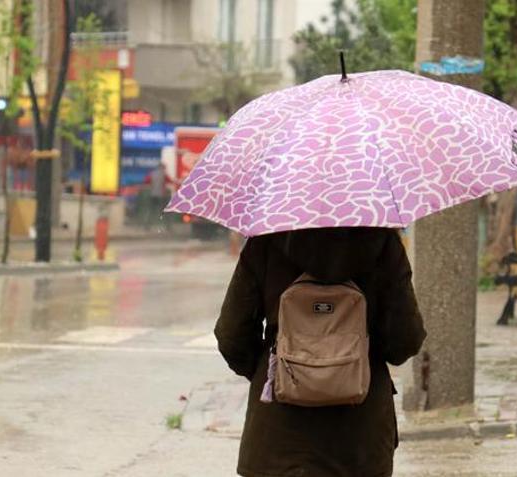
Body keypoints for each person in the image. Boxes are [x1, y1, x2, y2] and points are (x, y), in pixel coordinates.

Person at [215, 227, 426, 477]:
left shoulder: (266, 239)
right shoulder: (382, 242)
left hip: (278, 439)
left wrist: (278, 371)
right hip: (360, 441)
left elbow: (231, 335)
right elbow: (405, 340)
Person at [144, 163, 174, 229]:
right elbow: (171, 181)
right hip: (162, 196)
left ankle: (147, 226)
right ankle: (168, 227)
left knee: (151, 211)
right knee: (165, 212)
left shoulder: (151, 174)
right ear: (162, 168)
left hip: (153, 195)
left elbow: (146, 181)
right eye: (164, 168)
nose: (165, 169)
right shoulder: (164, 174)